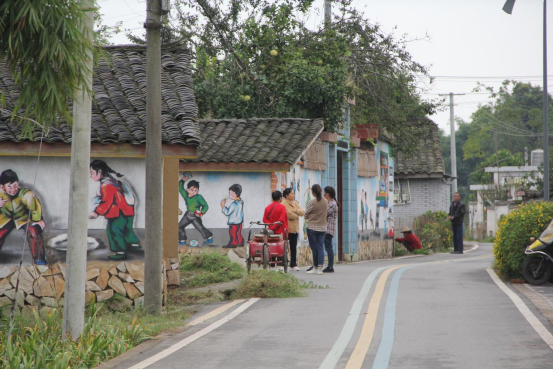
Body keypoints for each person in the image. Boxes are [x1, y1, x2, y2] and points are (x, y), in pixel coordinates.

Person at [89, 160, 141, 261]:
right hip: (128, 210)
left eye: (91, 173)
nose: (90, 176)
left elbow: (107, 201)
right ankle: (134, 245)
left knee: (114, 231)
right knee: (127, 229)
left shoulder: (105, 185)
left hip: (118, 213)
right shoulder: (113, 181)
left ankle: (120, 252)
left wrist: (96, 212)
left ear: (99, 172)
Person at [0, 169, 47, 265]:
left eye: (15, 186)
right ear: (3, 187)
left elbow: (35, 208)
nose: (13, 190)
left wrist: (38, 220)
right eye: (9, 187)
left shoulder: (26, 194)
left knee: (34, 230)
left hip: (23, 218)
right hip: (5, 218)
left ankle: (39, 258)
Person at [179, 175, 214, 246]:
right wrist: (182, 180)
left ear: (198, 190)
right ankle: (182, 240)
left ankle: (209, 238)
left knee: (200, 227)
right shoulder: (186, 195)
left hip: (195, 215)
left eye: (196, 190)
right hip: (188, 214)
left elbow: (205, 206)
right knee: (179, 226)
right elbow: (180, 188)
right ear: (188, 190)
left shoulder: (199, 197)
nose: (194, 192)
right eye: (192, 190)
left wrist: (202, 212)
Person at [305, 184, 328, 275]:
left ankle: (315, 267)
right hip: (322, 227)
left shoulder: (312, 202)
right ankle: (320, 268)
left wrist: (310, 216)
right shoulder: (326, 201)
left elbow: (306, 213)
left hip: (312, 228)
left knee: (314, 248)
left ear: (313, 192)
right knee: (320, 247)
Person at [282, 188, 304, 271]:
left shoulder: (295, 203)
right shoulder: (283, 204)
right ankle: (282, 263)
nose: (293, 195)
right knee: (284, 247)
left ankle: (293, 264)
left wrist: (295, 210)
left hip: (295, 229)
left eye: (293, 193)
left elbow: (302, 212)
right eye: (291, 193)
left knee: (293, 247)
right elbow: (289, 215)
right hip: (287, 229)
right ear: (287, 195)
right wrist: (296, 214)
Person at [221, 184, 244, 248]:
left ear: (235, 193)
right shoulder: (241, 202)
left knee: (233, 234)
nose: (229, 195)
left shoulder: (233, 204)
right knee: (238, 233)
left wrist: (223, 206)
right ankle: (241, 242)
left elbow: (227, 212)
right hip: (239, 222)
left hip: (233, 223)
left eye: (230, 193)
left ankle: (233, 244)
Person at [323, 186, 338, 273]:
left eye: (324, 193)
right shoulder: (329, 203)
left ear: (327, 194)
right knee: (328, 247)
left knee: (328, 247)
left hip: (328, 229)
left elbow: (324, 213)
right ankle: (329, 265)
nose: (323, 195)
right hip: (326, 228)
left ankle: (330, 266)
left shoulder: (332, 204)